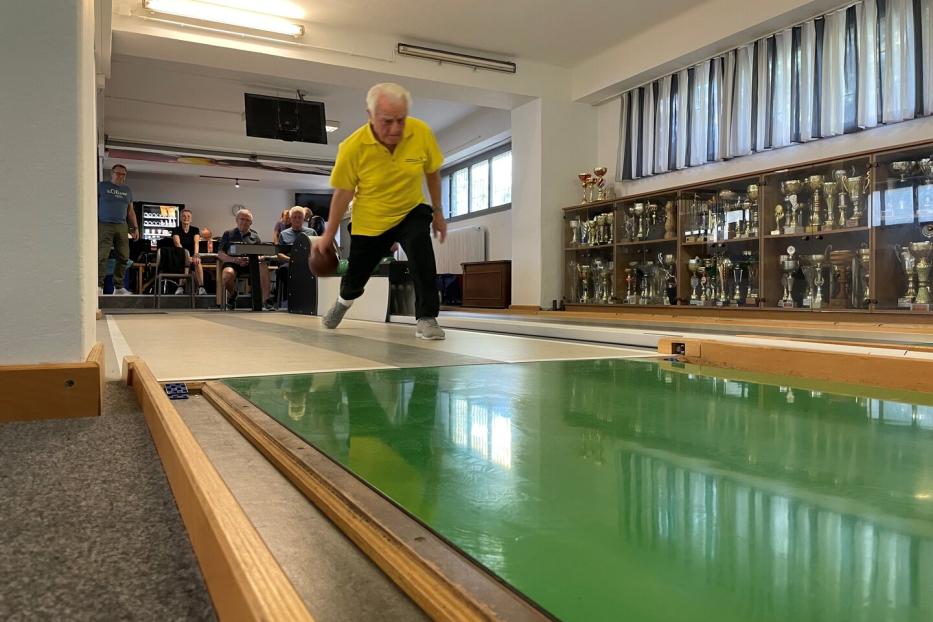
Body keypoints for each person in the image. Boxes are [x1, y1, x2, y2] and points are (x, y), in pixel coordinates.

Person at [314, 82, 447, 340]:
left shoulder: (420, 133)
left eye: (401, 120)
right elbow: (343, 193)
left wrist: (438, 213)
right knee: (357, 274)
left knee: (422, 256)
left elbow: (432, 173)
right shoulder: (352, 147)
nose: (396, 128)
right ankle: (344, 301)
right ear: (370, 115)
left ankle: (427, 318)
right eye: (387, 121)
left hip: (411, 209)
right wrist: (328, 235)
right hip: (371, 219)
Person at [217, 209, 273, 311]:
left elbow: (261, 255)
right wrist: (235, 260)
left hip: (250, 263)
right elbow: (220, 254)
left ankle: (266, 300)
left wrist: (253, 259)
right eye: (242, 219)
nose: (244, 222)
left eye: (247, 220)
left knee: (263, 265)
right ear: (237, 220)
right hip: (233, 263)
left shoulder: (255, 236)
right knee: (227, 275)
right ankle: (233, 294)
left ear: (251, 222)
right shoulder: (228, 234)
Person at [97, 163, 138, 295]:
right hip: (104, 224)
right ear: (112, 173)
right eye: (118, 173)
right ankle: (98, 286)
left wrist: (135, 228)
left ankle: (119, 287)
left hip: (122, 226)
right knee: (102, 256)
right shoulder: (102, 186)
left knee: (124, 257)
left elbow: (131, 211)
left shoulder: (127, 190)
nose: (120, 176)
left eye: (123, 174)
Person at [275, 206, 318, 306]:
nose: (297, 219)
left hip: (307, 263)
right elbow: (279, 254)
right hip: (289, 263)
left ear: (304, 219)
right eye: (294, 217)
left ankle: (310, 301)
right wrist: (292, 260)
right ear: (290, 219)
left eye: (300, 217)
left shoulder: (312, 232)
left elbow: (316, 251)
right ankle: (287, 301)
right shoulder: (283, 234)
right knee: (283, 271)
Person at [170, 208, 207, 295]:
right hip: (180, 253)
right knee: (185, 263)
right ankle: (181, 287)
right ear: (180, 218)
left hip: (192, 254)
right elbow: (177, 243)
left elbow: (196, 243)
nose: (186, 218)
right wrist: (187, 256)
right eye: (184, 216)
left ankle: (201, 287)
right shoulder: (176, 230)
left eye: (188, 216)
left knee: (197, 262)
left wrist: (196, 255)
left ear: (191, 219)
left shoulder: (195, 230)